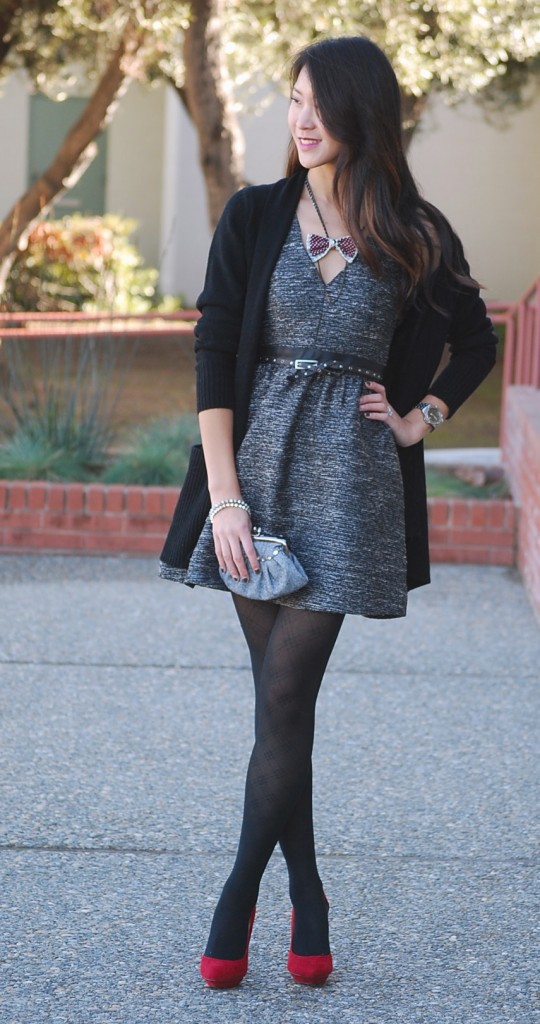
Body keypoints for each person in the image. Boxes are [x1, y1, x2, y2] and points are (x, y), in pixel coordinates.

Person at [160, 35, 497, 988]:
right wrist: (223, 500)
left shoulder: (415, 232)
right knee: (282, 702)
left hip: (352, 489)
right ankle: (306, 895)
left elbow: (477, 340)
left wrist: (418, 419)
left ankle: (237, 896)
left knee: (284, 696)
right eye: (293, 102)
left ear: (362, 114)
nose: (300, 121)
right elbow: (213, 350)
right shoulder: (255, 214)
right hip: (254, 484)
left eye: (317, 104)